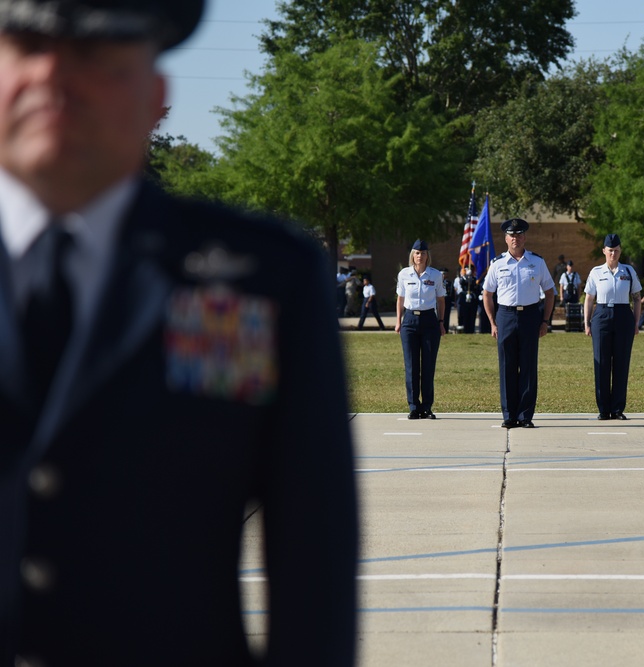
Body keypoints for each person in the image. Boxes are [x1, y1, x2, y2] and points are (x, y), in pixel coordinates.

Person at [0, 1, 359, 665]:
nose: (53, 76)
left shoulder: (263, 280)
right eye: (24, 46)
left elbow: (314, 555)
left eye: (94, 55)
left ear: (157, 96)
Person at [482, 218, 555, 428]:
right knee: (507, 366)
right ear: (506, 239)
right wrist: (493, 322)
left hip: (530, 316)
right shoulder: (497, 264)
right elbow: (487, 294)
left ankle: (525, 416)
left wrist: (544, 321)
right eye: (512, 235)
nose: (516, 239)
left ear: (525, 237)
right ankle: (509, 415)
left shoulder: (537, 262)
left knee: (529, 367)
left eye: (519, 235)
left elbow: (550, 292)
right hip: (505, 316)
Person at [583, 234, 641, 420]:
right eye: (610, 251)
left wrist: (636, 322)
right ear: (604, 251)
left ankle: (617, 409)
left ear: (620, 251)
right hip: (601, 315)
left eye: (616, 250)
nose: (613, 254)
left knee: (621, 363)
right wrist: (587, 322)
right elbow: (589, 298)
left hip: (623, 315)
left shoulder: (628, 271)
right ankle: (603, 409)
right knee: (602, 362)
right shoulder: (596, 272)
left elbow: (637, 298)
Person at [395, 240, 446, 419]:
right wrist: (398, 321)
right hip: (409, 320)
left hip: (429, 321)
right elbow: (400, 299)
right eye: (417, 253)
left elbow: (441, 300)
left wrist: (441, 321)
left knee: (428, 366)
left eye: (423, 253)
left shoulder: (435, 275)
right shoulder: (404, 274)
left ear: (427, 256)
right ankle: (413, 406)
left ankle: (426, 407)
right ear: (412, 255)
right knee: (411, 366)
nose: (420, 256)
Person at [456, 264, 479, 334]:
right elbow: (461, 282)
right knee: (464, 314)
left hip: (472, 297)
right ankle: (465, 329)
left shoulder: (475, 279)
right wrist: (466, 276)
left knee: (472, 315)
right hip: (464, 297)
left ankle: (471, 329)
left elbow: (475, 286)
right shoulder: (462, 278)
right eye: (467, 269)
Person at [441, 267, 454, 332]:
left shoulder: (449, 283)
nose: (443, 275)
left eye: (445, 274)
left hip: (447, 300)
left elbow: (452, 292)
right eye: (442, 274)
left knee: (446, 315)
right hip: (439, 301)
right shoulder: (437, 282)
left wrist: (452, 302)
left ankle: (446, 329)